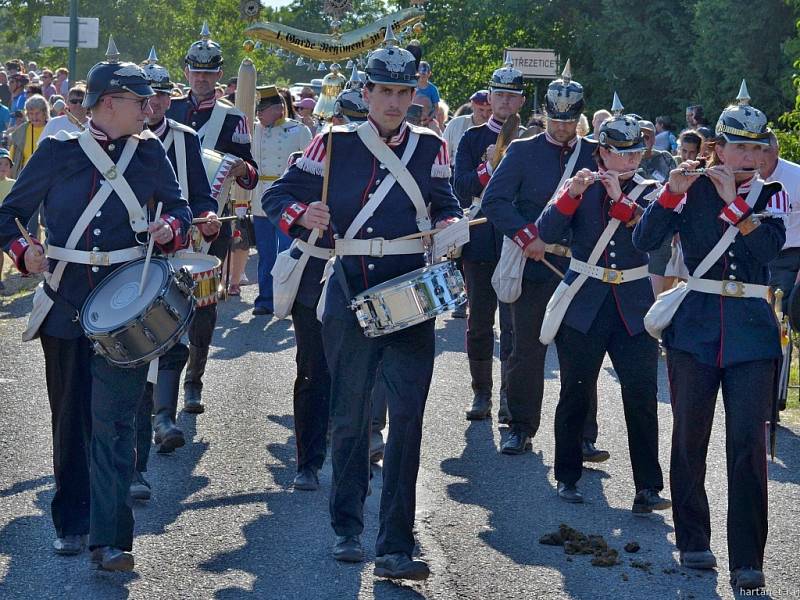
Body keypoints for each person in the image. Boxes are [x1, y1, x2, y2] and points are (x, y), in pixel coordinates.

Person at [263, 29, 461, 580]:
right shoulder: (333, 142)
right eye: (384, 91)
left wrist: (449, 225)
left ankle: (396, 543)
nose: (395, 101)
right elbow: (277, 196)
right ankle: (347, 526)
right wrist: (302, 215)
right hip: (349, 286)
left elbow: (445, 203)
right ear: (367, 92)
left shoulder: (431, 145)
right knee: (349, 417)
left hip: (410, 293)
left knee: (409, 420)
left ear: (415, 91)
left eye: (403, 91)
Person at [0, 38, 191, 571]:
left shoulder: (150, 152)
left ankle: (110, 540)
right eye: (141, 100)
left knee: (116, 424)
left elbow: (179, 211)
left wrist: (169, 227)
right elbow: (7, 214)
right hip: (65, 303)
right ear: (110, 102)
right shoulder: (59, 151)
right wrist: (24, 252)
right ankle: (72, 521)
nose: (150, 108)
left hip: (126, 304)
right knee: (70, 419)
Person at [633, 82, 785, 592]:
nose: (748, 156)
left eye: (756, 147)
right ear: (717, 147)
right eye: (738, 146)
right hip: (694, 326)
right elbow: (644, 240)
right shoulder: (688, 186)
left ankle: (748, 557)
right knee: (689, 437)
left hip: (752, 335)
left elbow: (767, 250)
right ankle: (693, 539)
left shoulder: (773, 192)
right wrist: (672, 192)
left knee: (748, 445)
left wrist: (732, 205)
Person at [536, 94, 669, 510]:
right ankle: (568, 474)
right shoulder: (580, 183)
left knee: (641, 395)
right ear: (601, 152)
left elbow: (651, 235)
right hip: (586, 299)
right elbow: (548, 231)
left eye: (634, 154)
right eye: (619, 154)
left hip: (633, 304)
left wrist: (620, 199)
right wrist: (572, 194)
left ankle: (648, 486)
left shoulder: (652, 190)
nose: (628, 162)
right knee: (575, 390)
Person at [481, 61, 607, 461]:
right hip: (534, 264)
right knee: (527, 351)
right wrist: (526, 237)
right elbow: (495, 203)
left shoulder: (598, 154)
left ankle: (583, 435)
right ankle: (520, 427)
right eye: (555, 120)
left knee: (581, 355)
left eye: (569, 122)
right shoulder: (522, 151)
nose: (562, 128)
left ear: (580, 117)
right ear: (544, 114)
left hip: (582, 269)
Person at [131, 47, 221, 501]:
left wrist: (204, 215)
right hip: (128, 254)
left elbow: (201, 194)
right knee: (132, 342)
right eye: (148, 96)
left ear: (170, 98)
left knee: (173, 335)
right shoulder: (119, 137)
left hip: (176, 249)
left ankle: (164, 417)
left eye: (163, 96)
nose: (156, 104)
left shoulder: (185, 138)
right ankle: (136, 429)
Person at [165, 22, 258, 414]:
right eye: (195, 70)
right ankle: (160, 380)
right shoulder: (166, 108)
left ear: (220, 74)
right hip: (169, 217)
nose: (201, 77)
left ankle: (194, 382)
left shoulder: (232, 118)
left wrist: (240, 171)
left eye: (209, 71)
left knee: (204, 304)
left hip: (212, 221)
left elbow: (250, 170)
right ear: (185, 71)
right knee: (163, 297)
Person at [453, 62, 525, 423]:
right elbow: (460, 186)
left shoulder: (531, 141)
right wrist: (487, 167)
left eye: (512, 96)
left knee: (513, 324)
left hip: (515, 240)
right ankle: (481, 393)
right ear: (490, 97)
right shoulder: (471, 137)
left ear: (521, 101)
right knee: (479, 322)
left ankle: (510, 398)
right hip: (480, 237)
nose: (505, 102)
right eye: (500, 94)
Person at [250, 85, 312, 316]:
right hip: (261, 197)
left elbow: (310, 167)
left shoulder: (298, 131)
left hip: (288, 199)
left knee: (287, 251)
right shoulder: (254, 130)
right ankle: (265, 298)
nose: (258, 115)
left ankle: (288, 298)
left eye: (262, 110)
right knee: (266, 254)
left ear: (277, 109)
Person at [638, 119, 678, 297]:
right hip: (634, 225)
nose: (644, 140)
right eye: (640, 136)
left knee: (659, 284)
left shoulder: (665, 159)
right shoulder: (627, 160)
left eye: (647, 136)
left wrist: (678, 228)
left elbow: (679, 192)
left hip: (662, 227)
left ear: (654, 138)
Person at [762, 132, 800, 308]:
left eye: (766, 150)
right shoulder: (745, 176)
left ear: (777, 150)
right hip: (757, 255)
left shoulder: (796, 176)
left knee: (782, 312)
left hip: (790, 257)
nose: (760, 156)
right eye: (757, 150)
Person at [442, 90, 491, 164]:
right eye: (481, 110)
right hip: (455, 171)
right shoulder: (456, 124)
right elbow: (443, 155)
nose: (485, 114)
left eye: (490, 110)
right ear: (472, 105)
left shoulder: (499, 128)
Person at [9, 94, 49, 177]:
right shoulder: (21, 131)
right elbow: (11, 159)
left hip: (48, 178)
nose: (34, 117)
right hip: (26, 179)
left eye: (37, 113)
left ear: (45, 112)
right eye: (31, 113)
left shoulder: (53, 127)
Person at [0, 147, 14, 291]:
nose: (3, 167)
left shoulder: (14, 184)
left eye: (6, 164)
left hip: (7, 224)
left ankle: (25, 269)